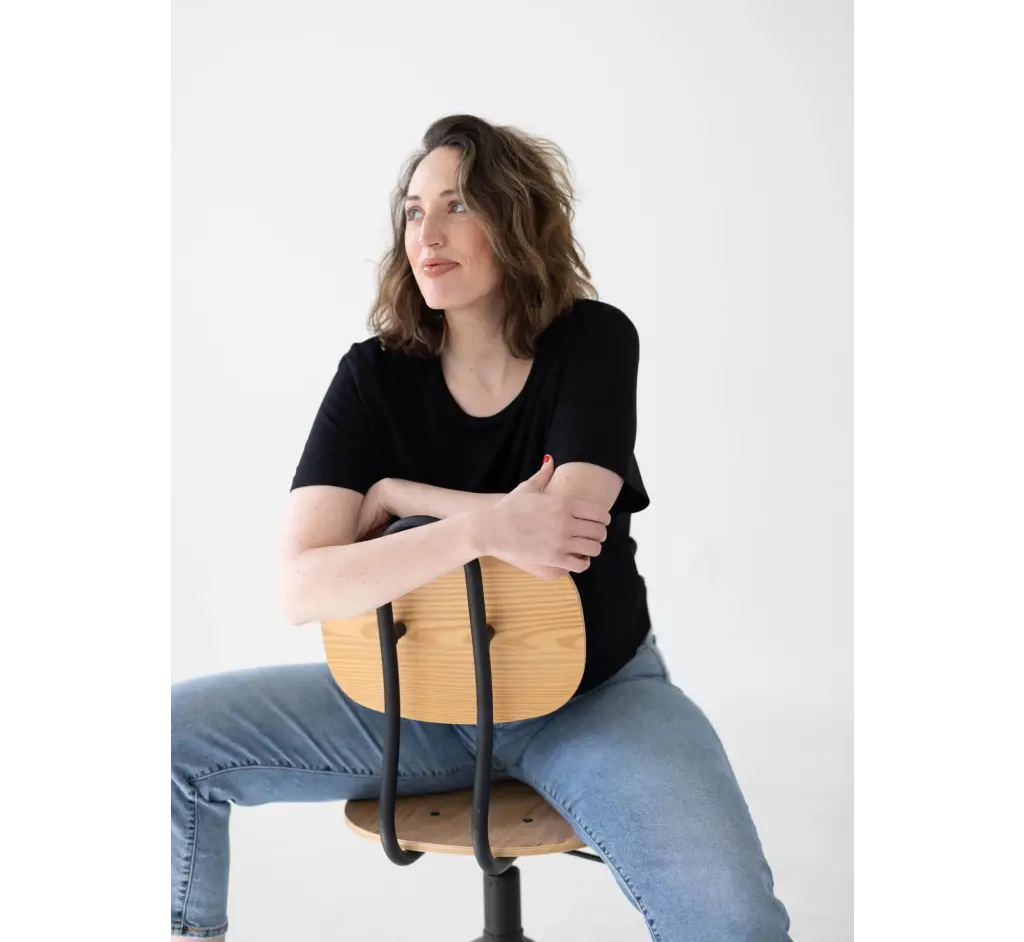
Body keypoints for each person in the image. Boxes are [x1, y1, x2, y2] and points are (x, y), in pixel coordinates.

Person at [168, 114, 792, 941]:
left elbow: (565, 532)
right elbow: (301, 586)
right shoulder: (372, 377)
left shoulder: (593, 342)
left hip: (592, 702)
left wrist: (399, 497)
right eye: (414, 210)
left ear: (516, 217)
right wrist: (484, 529)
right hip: (409, 704)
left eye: (457, 205)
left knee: (733, 922)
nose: (427, 232)